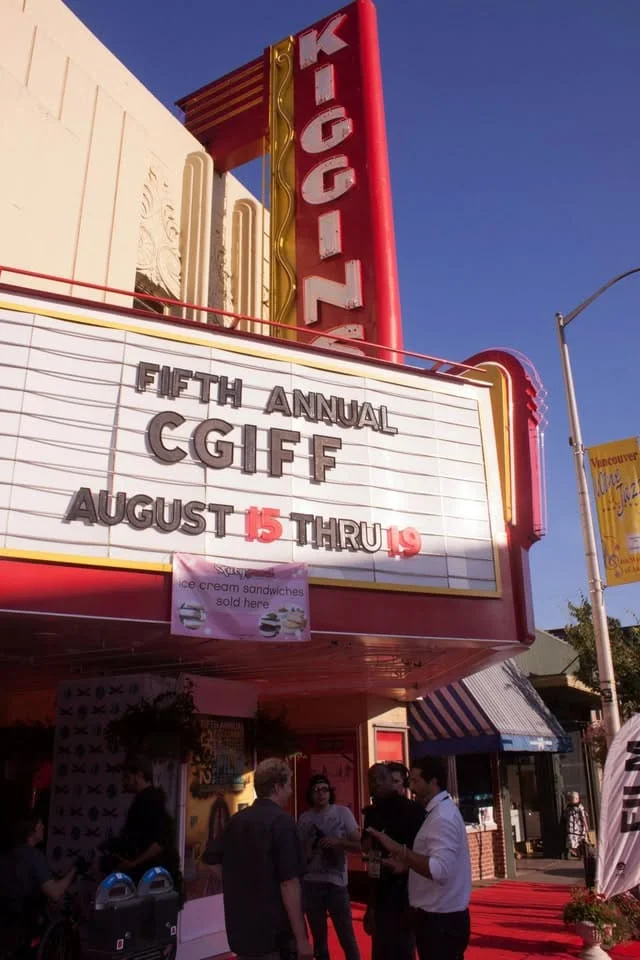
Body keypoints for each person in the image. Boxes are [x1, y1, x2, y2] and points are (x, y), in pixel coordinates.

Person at [206, 757, 312, 960]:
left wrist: (237, 882)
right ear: (277, 787)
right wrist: (301, 939)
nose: (291, 791)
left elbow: (211, 861)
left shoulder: (237, 820)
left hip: (242, 932)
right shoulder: (282, 822)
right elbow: (289, 883)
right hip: (275, 936)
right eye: (288, 785)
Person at [367, 757, 472, 960]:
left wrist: (401, 851)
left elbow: (439, 870)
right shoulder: (437, 813)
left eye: (415, 781)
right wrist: (406, 865)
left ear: (433, 782)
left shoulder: (442, 817)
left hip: (441, 920)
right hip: (436, 916)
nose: (411, 787)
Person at [363, 762, 426, 960]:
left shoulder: (412, 810)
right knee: (381, 950)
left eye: (381, 779)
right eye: (372, 780)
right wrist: (371, 905)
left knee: (402, 949)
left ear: (393, 781)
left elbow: (423, 854)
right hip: (380, 892)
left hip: (406, 892)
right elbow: (371, 853)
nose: (376, 784)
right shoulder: (372, 813)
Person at [298, 774, 361, 960]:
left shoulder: (342, 813)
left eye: (324, 789)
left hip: (336, 884)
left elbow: (360, 846)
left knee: (347, 936)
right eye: (316, 790)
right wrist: (309, 848)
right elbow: (299, 854)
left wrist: (338, 842)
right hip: (311, 883)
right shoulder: (305, 818)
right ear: (310, 794)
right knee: (319, 940)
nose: (321, 794)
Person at [0, 814, 77, 957]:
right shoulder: (34, 856)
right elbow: (55, 893)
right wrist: (75, 870)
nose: (43, 827)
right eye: (39, 824)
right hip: (24, 928)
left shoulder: (7, 856)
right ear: (31, 830)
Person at [103, 755, 181, 890]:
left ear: (139, 775)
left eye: (126, 777)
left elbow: (160, 842)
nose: (123, 782)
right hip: (150, 879)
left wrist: (133, 864)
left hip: (153, 881)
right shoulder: (146, 801)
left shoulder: (150, 802)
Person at [561, 791, 589, 859]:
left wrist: (586, 825)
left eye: (576, 798)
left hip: (578, 827)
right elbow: (565, 815)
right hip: (571, 827)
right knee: (571, 841)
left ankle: (580, 854)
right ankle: (576, 853)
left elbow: (583, 817)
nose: (576, 800)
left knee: (580, 841)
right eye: (573, 799)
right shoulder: (568, 807)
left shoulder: (580, 807)